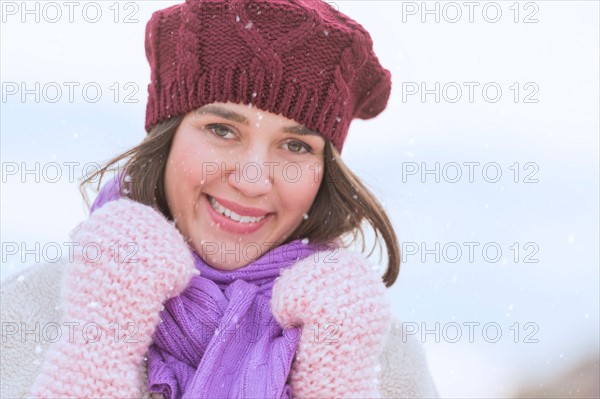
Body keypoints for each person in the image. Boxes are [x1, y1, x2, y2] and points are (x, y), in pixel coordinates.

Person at [0, 0, 438, 397]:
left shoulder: (378, 355)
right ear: (167, 140)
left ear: (324, 173)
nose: (252, 181)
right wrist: (96, 350)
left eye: (296, 146)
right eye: (222, 130)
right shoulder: (29, 313)